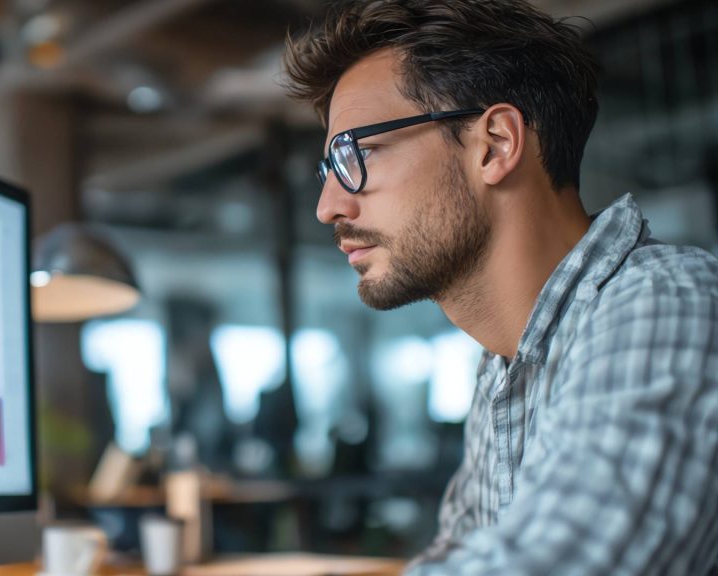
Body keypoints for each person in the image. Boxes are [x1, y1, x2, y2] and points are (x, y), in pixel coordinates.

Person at [283, 0, 718, 574]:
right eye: (328, 169)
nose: (328, 207)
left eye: (355, 154)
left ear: (495, 145)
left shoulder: (666, 305)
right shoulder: (502, 370)